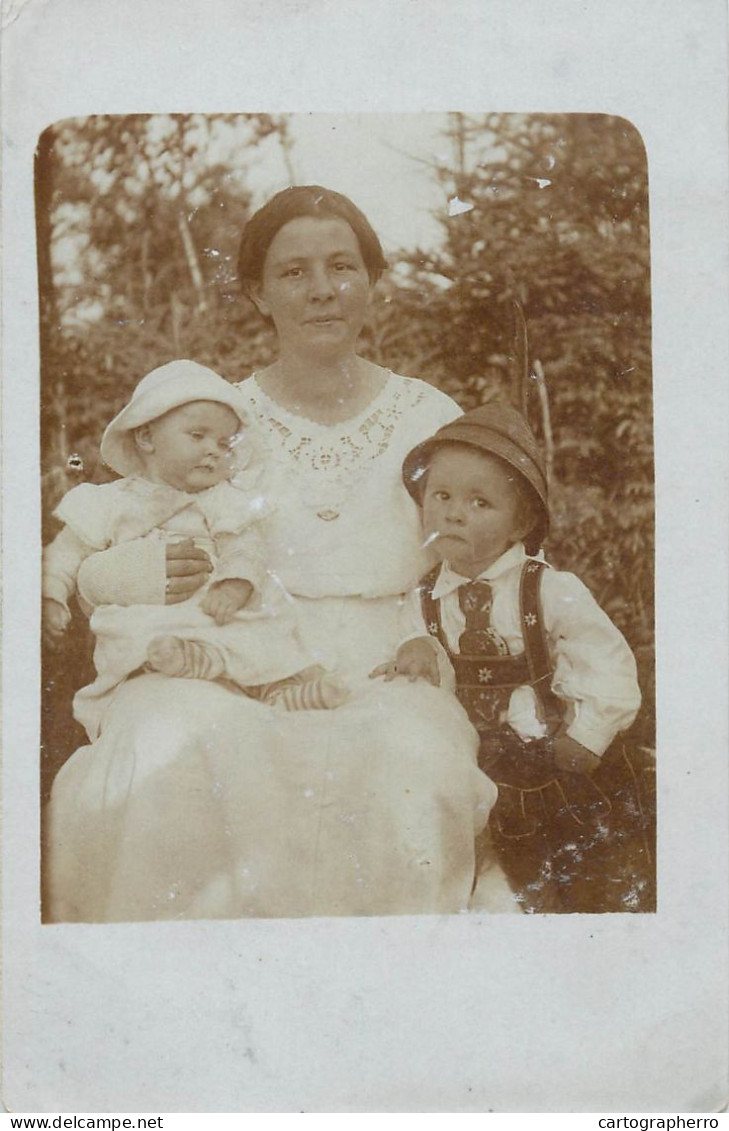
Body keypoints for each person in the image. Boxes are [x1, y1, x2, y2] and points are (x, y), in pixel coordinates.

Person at [44, 185, 505, 923]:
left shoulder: (428, 415)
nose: (322, 290)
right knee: (173, 748)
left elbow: (475, 560)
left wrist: (428, 636)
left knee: (406, 759)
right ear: (257, 292)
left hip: (379, 660)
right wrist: (107, 577)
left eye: (342, 266)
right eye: (293, 272)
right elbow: (117, 529)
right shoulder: (211, 416)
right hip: (222, 652)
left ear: (371, 280)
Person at [374, 403, 644, 912]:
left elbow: (606, 662)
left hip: (547, 759)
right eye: (442, 496)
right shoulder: (423, 598)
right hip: (470, 763)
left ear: (520, 524)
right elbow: (411, 649)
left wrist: (587, 736)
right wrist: (413, 648)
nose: (454, 512)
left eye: (480, 503)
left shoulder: (548, 589)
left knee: (569, 873)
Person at [42, 359, 348, 742]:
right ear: (147, 438)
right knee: (141, 633)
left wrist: (235, 583)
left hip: (213, 610)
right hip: (151, 616)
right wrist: (53, 593)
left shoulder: (221, 500)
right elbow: (67, 552)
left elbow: (244, 546)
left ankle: (281, 693)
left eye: (224, 444)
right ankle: (189, 662)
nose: (213, 452)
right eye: (197, 435)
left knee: (258, 634)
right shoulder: (107, 501)